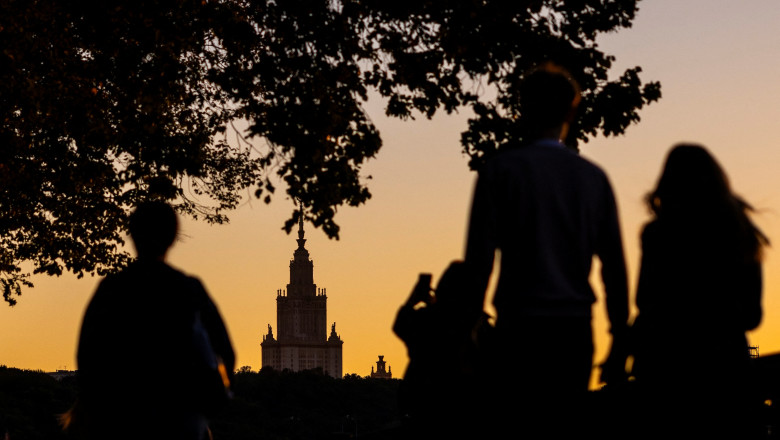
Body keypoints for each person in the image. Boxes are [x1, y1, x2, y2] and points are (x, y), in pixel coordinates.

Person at [464, 63, 629, 437]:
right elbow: (614, 266)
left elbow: (478, 261)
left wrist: (470, 328)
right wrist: (619, 333)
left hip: (518, 325)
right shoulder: (593, 178)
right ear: (572, 110)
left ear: (521, 108)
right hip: (573, 328)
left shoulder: (499, 170)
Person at [630, 144, 767, 439]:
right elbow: (753, 315)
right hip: (726, 372)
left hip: (665, 372)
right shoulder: (742, 233)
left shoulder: (657, 234)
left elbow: (644, 300)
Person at [75, 201, 235, 440]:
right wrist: (208, 402)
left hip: (122, 419)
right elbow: (225, 352)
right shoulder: (189, 289)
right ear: (172, 237)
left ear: (133, 235)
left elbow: (86, 356)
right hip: (182, 419)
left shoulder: (112, 290)